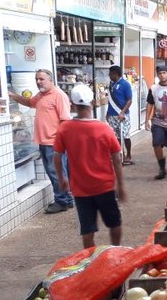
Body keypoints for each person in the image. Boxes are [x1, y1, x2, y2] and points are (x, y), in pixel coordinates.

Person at [53, 85, 126, 248]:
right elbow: (117, 157)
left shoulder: (65, 128)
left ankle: (90, 262)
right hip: (105, 186)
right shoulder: (104, 128)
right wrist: (120, 185)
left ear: (72, 105)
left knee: (87, 230)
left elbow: (57, 156)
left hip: (80, 189)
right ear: (92, 103)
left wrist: (62, 178)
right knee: (114, 223)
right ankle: (115, 251)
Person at [8, 69, 74, 213]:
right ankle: (67, 199)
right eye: (37, 79)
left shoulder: (58, 95)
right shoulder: (41, 95)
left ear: (51, 80)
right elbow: (29, 102)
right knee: (56, 172)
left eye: (42, 79)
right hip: (44, 141)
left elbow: (65, 121)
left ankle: (61, 201)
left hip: (54, 142)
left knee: (56, 172)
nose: (38, 82)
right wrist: (13, 96)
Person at [106, 66, 134, 165]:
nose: (109, 75)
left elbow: (129, 100)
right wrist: (107, 113)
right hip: (112, 115)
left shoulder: (125, 84)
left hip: (123, 114)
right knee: (115, 136)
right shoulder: (111, 85)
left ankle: (129, 155)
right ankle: (119, 154)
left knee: (125, 135)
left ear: (115, 73)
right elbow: (110, 101)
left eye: (110, 73)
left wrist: (122, 112)